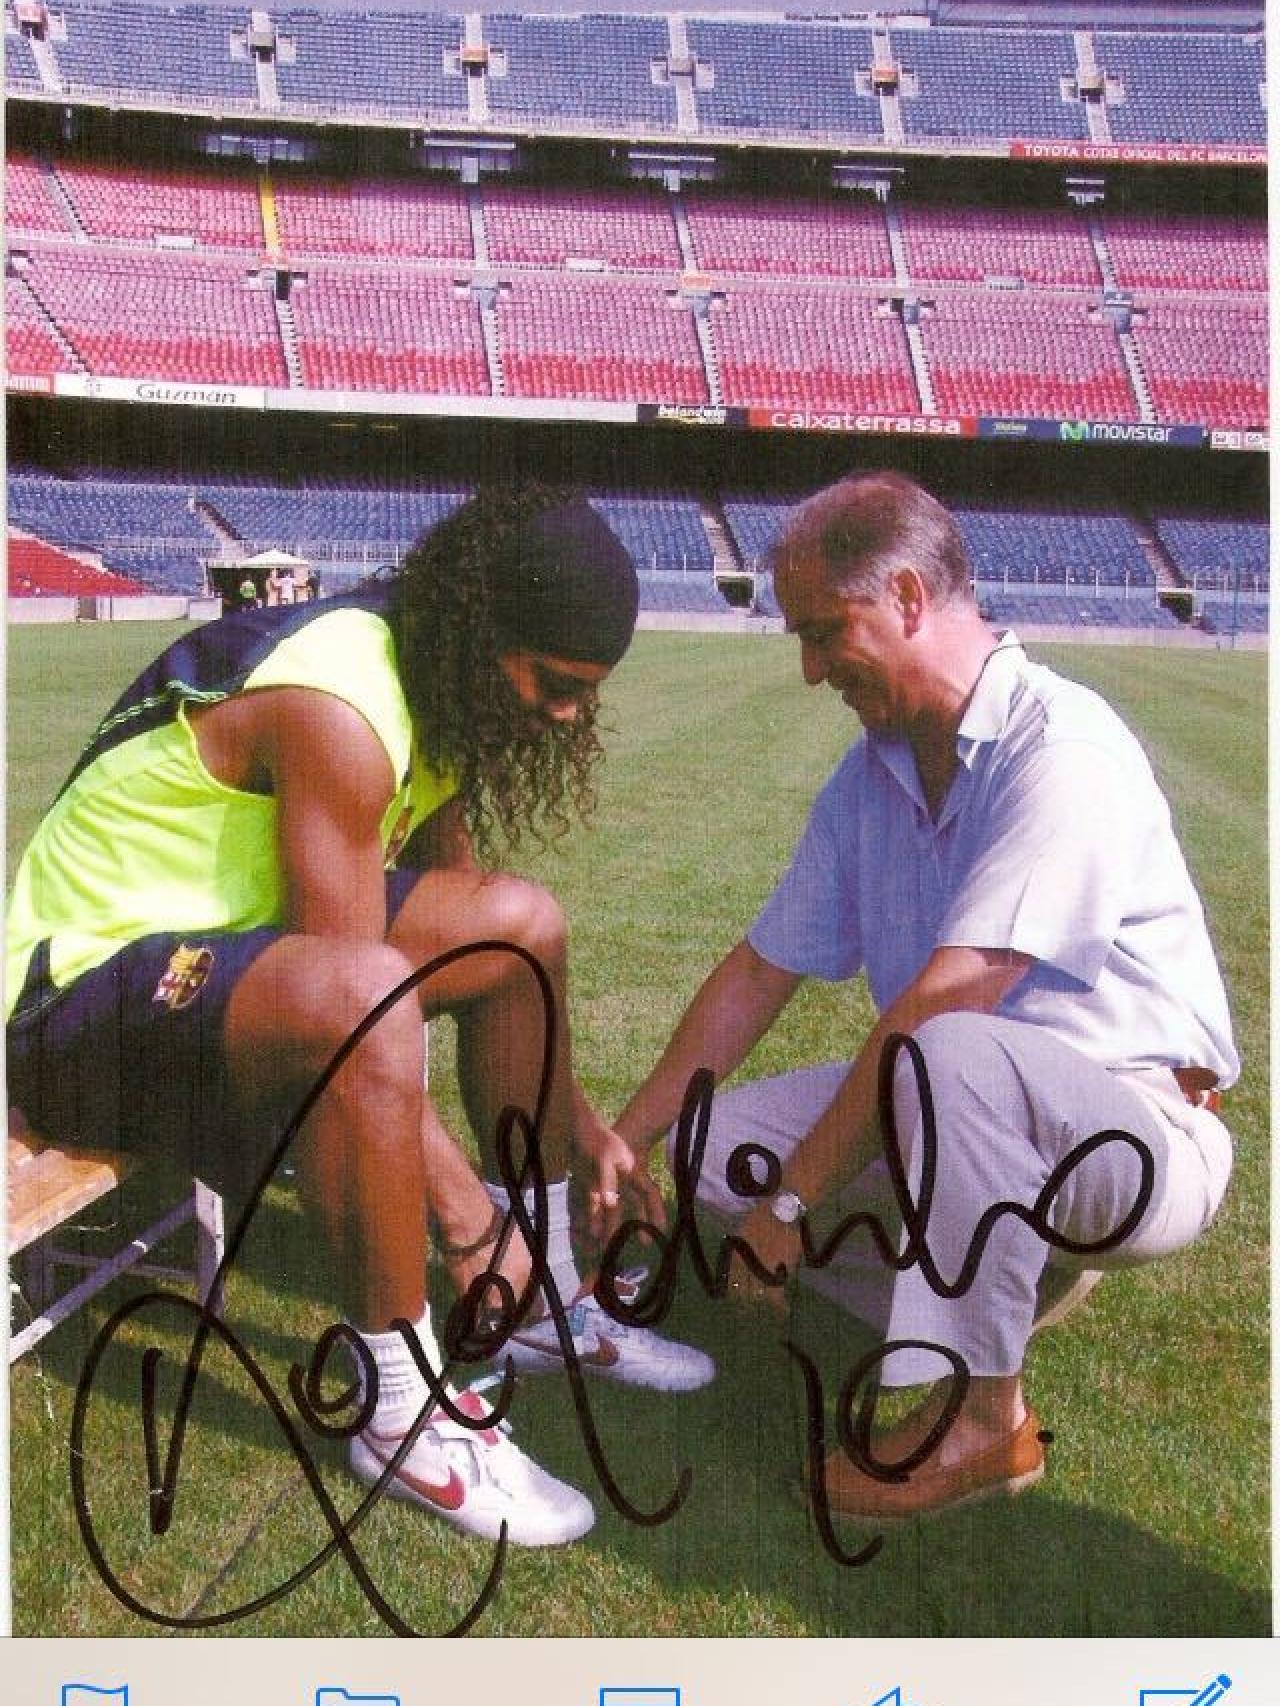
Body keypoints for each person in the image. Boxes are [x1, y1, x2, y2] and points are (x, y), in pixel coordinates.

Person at [6, 481, 712, 1550]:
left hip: (217, 964)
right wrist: (472, 1222)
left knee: (521, 925)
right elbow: (356, 991)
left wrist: (583, 1129)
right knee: (358, 999)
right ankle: (402, 1413)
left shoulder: (439, 680)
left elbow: (473, 924)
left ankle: (548, 1297)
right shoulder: (341, 702)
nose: (569, 712)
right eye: (557, 683)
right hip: (72, 1005)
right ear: (488, 635)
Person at [613, 471, 1236, 1521]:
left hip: (1132, 1132)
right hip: (956, 1110)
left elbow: (951, 1002)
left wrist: (789, 1204)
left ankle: (983, 1419)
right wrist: (629, 1139)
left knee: (944, 1049)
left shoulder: (1062, 746)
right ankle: (996, 1278)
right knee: (705, 1149)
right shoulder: (873, 771)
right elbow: (761, 967)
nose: (810, 672)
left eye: (822, 633)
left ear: (906, 597)